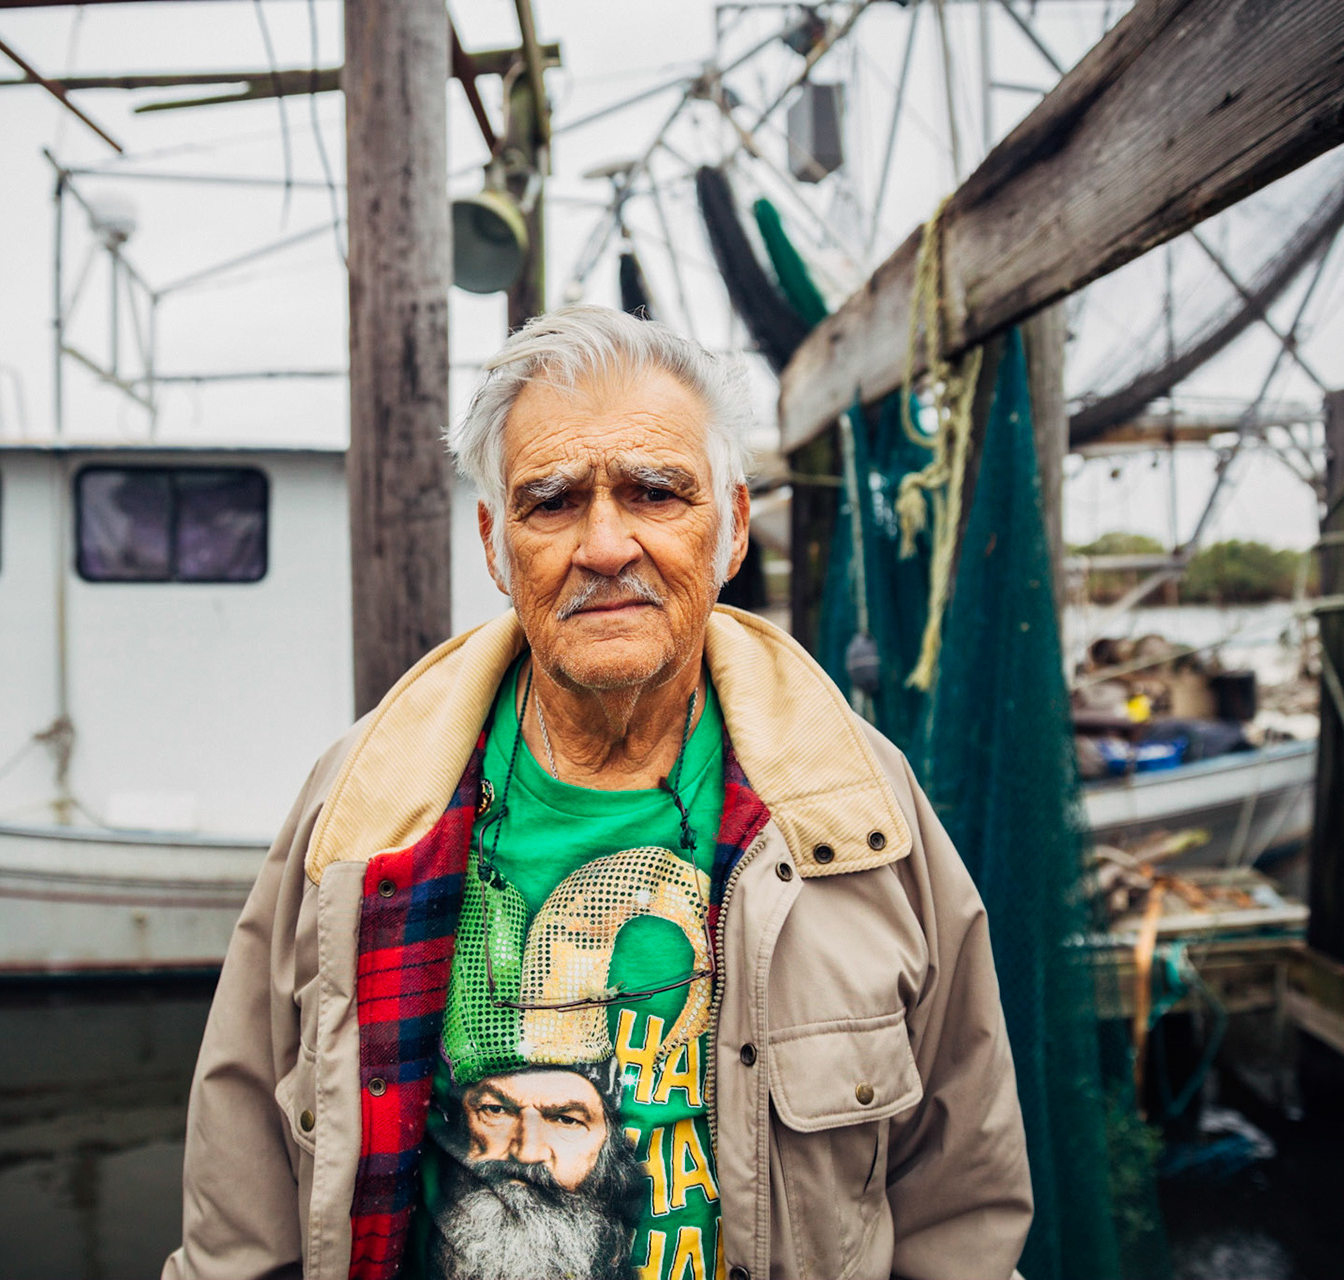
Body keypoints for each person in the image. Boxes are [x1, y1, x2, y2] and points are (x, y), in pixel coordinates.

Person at [164, 306, 1031, 1280]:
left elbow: (959, 1207)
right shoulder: (366, 805)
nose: (607, 544)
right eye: (553, 502)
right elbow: (242, 1200)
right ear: (495, 544)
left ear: (733, 528)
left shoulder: (857, 808)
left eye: (656, 492)